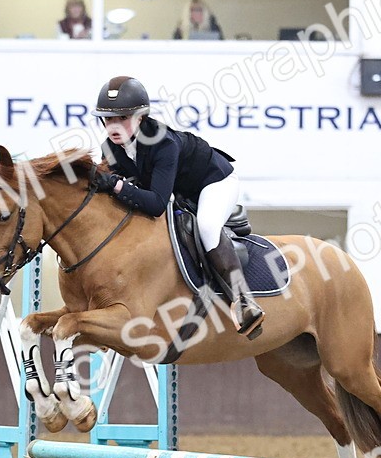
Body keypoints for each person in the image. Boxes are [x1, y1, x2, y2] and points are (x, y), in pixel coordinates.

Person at [89, 75, 263, 338]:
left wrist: (115, 185)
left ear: (140, 118)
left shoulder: (163, 143)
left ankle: (244, 300)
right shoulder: (109, 148)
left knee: (206, 226)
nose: (113, 126)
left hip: (214, 182)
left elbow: (157, 203)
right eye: (108, 119)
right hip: (178, 190)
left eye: (122, 118)